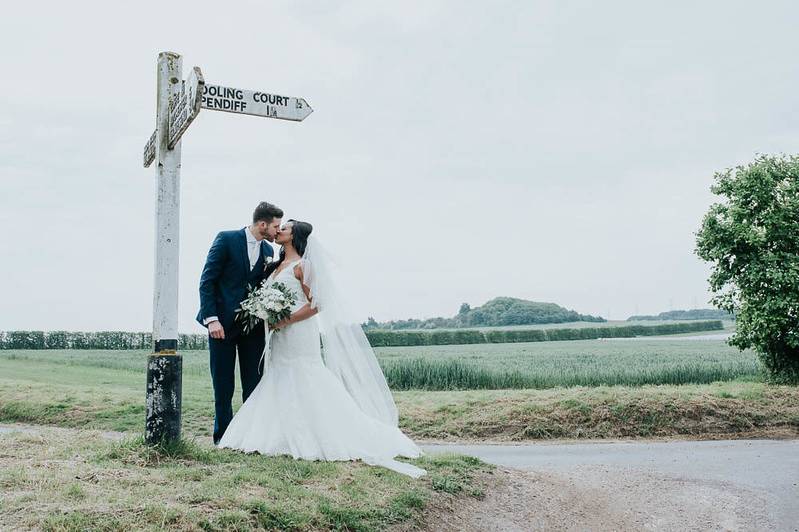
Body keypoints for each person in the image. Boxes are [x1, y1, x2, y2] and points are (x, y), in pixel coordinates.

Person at [217, 220, 426, 478]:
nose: (279, 229)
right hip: (278, 335)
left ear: (295, 237)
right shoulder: (274, 265)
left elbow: (318, 303)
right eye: (279, 226)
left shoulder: (304, 266)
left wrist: (285, 319)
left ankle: (323, 433)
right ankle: (278, 433)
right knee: (279, 376)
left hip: (297, 331)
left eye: (285, 228)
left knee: (304, 375)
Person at [196, 201, 283, 445]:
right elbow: (207, 281)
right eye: (276, 226)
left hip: (252, 328)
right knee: (223, 386)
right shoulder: (226, 239)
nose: (278, 231)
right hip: (220, 327)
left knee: (253, 384)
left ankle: (250, 436)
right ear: (262, 224)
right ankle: (222, 437)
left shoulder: (268, 250)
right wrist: (211, 320)